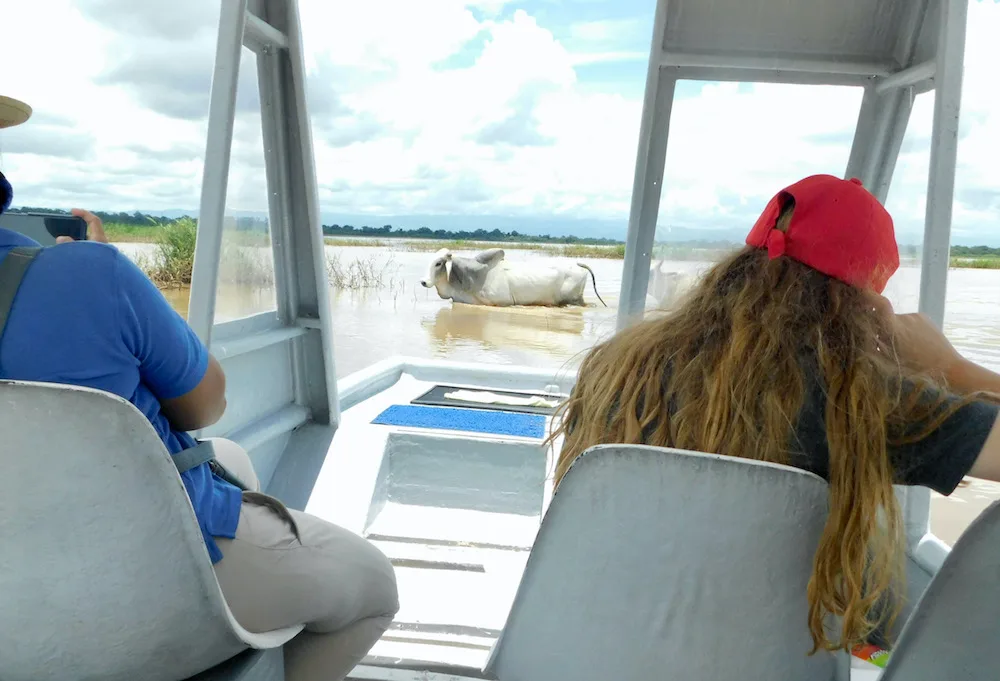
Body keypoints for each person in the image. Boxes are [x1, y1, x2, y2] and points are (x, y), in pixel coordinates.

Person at [0, 99, 397, 680]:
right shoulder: (89, 273)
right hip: (134, 586)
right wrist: (92, 267)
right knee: (373, 586)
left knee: (232, 460)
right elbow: (205, 405)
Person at [549, 174, 1000, 655]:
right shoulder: (854, 399)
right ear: (863, 304)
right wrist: (954, 368)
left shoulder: (615, 368)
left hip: (593, 650)